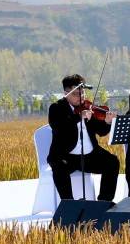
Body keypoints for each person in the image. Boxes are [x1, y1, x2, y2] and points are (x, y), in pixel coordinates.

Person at [46, 74, 119, 202]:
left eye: (83, 93)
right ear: (66, 93)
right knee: (59, 167)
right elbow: (59, 127)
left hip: (90, 155)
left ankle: (104, 202)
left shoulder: (88, 108)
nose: (81, 97)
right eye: (77, 94)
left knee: (112, 162)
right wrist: (78, 117)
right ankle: (68, 204)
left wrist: (107, 122)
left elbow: (101, 131)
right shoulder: (56, 108)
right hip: (66, 156)